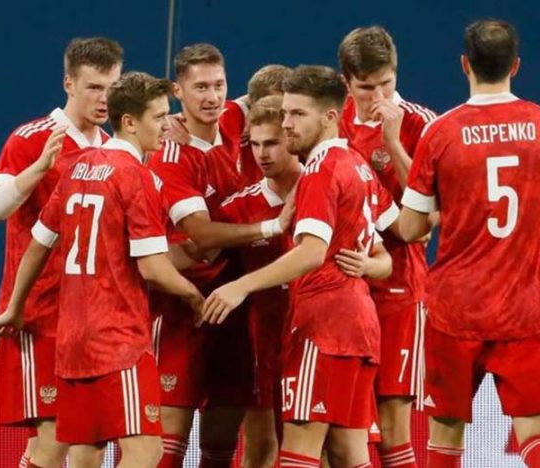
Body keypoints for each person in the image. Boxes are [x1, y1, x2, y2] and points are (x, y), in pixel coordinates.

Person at [0, 71, 205, 468]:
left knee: (87, 453)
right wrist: (194, 296)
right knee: (146, 450)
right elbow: (153, 269)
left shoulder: (78, 168)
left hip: (71, 341)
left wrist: (14, 307)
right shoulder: (137, 176)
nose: (167, 125)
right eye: (158, 117)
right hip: (118, 341)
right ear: (130, 122)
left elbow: (39, 244)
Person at [396, 19, 540, 468]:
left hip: (455, 309)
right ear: (515, 65)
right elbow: (538, 200)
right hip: (524, 305)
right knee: (536, 438)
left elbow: (410, 228)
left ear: (464, 64)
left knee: (445, 438)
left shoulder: (440, 132)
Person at [202, 65, 396, 468]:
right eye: (286, 113)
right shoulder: (354, 162)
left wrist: (241, 286)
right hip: (358, 325)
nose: (288, 123)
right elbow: (382, 256)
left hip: (322, 325)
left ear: (329, 117)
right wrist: (368, 266)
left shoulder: (322, 170)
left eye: (297, 114)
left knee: (299, 450)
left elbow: (311, 252)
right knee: (347, 451)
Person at [145, 43, 293, 468]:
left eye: (218, 86)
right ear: (177, 92)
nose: (211, 97)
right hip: (183, 308)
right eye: (200, 88)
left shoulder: (233, 122)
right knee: (166, 443)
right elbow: (202, 235)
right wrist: (272, 226)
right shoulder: (172, 156)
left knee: (222, 439)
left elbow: (267, 96)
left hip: (236, 312)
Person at [0, 37, 122, 467]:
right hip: (40, 314)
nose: (104, 99)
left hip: (93, 319)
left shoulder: (114, 147)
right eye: (94, 87)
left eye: (112, 88)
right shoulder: (31, 140)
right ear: (68, 84)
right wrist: (39, 168)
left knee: (91, 441)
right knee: (54, 435)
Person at [337, 25, 437, 468]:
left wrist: (393, 142)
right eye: (365, 88)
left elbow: (429, 219)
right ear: (346, 82)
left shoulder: (422, 124)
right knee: (338, 426)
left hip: (399, 288)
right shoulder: (330, 118)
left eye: (386, 84)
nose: (378, 97)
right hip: (340, 286)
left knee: (394, 427)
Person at [215, 95, 302, 468]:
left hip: (317, 338)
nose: (262, 154)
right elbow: (195, 253)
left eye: (272, 143)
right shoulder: (238, 208)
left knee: (326, 450)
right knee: (261, 448)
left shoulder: (325, 186)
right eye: (254, 144)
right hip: (263, 346)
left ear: (291, 138)